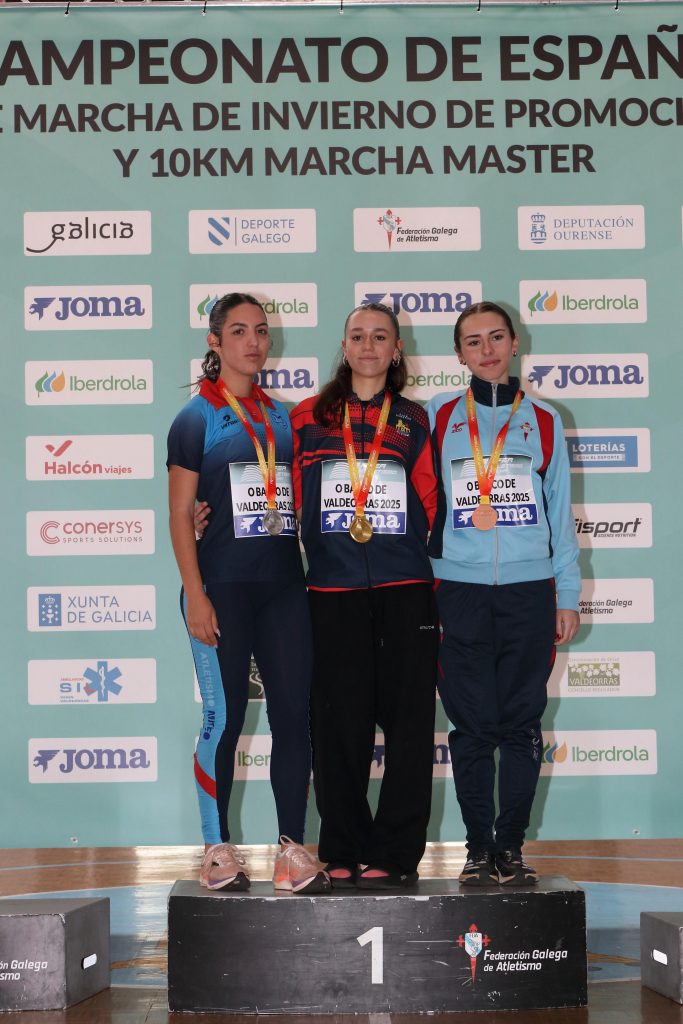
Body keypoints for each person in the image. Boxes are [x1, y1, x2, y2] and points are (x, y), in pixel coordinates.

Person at [166, 292, 330, 895]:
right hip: (221, 588)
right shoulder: (195, 418)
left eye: (261, 330)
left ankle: (291, 850)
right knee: (224, 717)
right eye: (238, 331)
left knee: (293, 716)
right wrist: (196, 593)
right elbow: (180, 513)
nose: (254, 342)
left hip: (284, 586)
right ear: (214, 342)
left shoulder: (282, 417)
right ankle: (216, 849)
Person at [428, 301, 580, 886]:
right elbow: (419, 504)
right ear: (459, 353)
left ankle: (510, 847)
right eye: (473, 341)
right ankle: (476, 849)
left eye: (496, 337)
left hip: (528, 593)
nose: (486, 349)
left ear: (515, 343)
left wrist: (567, 593)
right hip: (457, 592)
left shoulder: (544, 419)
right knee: (470, 727)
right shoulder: (439, 415)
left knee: (520, 724)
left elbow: (560, 515)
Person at [290, 301, 440, 889]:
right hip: (332, 590)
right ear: (344, 345)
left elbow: (432, 500)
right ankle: (342, 846)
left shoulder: (414, 419)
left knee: (408, 728)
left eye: (381, 336)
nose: (369, 345)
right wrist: (209, 515)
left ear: (397, 349)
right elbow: (277, 489)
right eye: (358, 335)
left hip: (406, 589)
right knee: (338, 727)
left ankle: (396, 852)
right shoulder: (308, 415)